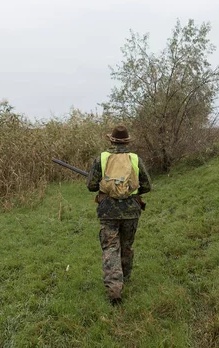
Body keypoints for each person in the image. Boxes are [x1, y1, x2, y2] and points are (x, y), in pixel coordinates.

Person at [86, 125, 152, 305]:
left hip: (108, 210)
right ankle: (125, 278)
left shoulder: (102, 158)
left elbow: (91, 186)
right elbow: (146, 186)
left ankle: (115, 289)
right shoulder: (135, 159)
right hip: (131, 210)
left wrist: (106, 185)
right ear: (127, 141)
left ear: (111, 141)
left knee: (110, 248)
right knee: (127, 245)